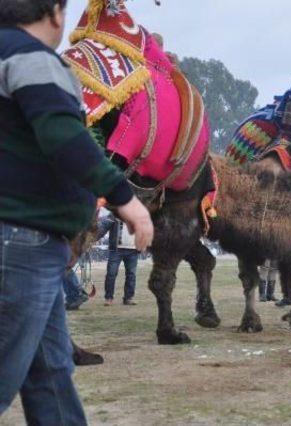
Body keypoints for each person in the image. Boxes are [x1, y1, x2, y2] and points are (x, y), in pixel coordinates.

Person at [0, 0, 154, 422]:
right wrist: (127, 200)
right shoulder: (30, 58)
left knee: (50, 373)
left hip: (28, 244)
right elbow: (63, 137)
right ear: (54, 12)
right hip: (22, 240)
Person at [100, 214, 140, 306]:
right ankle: (109, 298)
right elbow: (103, 227)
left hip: (133, 250)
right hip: (116, 250)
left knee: (131, 275)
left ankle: (128, 298)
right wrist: (92, 238)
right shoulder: (115, 214)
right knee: (111, 274)